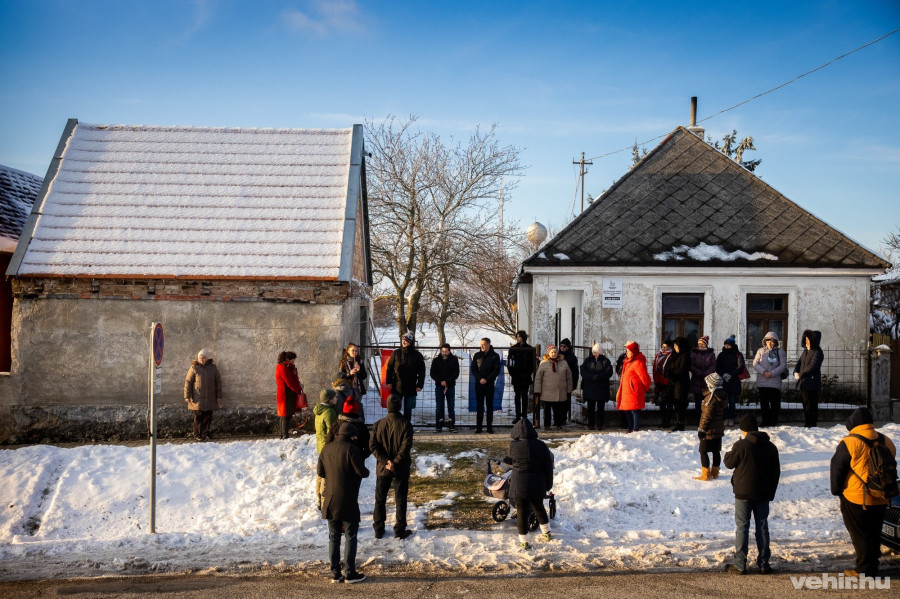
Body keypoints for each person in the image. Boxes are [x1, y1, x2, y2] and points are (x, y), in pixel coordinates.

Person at [830, 407, 897, 578]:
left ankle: (864, 570)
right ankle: (872, 565)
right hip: (881, 495)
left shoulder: (849, 442)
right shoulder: (886, 440)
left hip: (856, 497)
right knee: (874, 532)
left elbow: (837, 468)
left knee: (860, 534)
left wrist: (837, 490)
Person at [723, 414, 780, 575]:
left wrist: (728, 452)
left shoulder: (741, 445)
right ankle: (764, 564)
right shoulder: (770, 446)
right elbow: (776, 472)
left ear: (743, 430)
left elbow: (728, 463)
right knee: (762, 527)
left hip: (743, 492)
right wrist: (771, 492)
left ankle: (740, 564)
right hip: (763, 493)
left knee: (742, 527)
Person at [317, 422, 369, 584]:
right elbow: (363, 472)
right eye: (354, 436)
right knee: (350, 536)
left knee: (333, 537)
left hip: (330, 499)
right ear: (352, 436)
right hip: (347, 499)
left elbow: (321, 472)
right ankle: (350, 573)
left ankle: (335, 573)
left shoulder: (326, 449)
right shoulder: (352, 449)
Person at [502, 418, 554, 549]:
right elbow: (548, 467)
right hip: (537, 483)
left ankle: (524, 541)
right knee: (539, 507)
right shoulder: (541, 445)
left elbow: (507, 459)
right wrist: (548, 485)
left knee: (522, 511)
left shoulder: (513, 445)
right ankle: (547, 533)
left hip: (519, 484)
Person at [370, 393, 414, 540]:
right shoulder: (406, 424)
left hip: (383, 469)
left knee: (380, 499)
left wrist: (386, 462)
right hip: (400, 468)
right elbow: (405, 446)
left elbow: (373, 446)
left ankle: (378, 528)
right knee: (400, 499)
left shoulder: (378, 424)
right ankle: (399, 529)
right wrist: (395, 462)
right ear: (399, 407)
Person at [385, 333, 426, 422]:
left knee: (408, 409)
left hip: (411, 386)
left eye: (406, 340)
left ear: (410, 342)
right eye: (403, 340)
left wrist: (420, 385)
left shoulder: (417, 355)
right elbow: (389, 368)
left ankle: (407, 428)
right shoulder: (396, 353)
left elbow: (422, 372)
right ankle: (395, 426)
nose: (404, 342)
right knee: (395, 409)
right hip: (397, 386)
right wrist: (389, 381)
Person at [184, 348, 222, 441]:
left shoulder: (213, 368)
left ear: (207, 358)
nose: (201, 359)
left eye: (203, 357)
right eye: (200, 357)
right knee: (198, 417)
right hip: (198, 397)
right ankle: (197, 434)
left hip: (210, 397)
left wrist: (219, 395)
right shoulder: (194, 368)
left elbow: (218, 382)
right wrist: (187, 396)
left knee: (208, 416)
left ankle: (205, 433)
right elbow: (188, 382)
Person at [695, 373, 727, 480]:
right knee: (716, 450)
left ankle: (705, 474)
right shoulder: (722, 395)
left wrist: (702, 429)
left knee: (703, 451)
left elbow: (706, 416)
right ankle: (715, 472)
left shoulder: (711, 398)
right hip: (718, 429)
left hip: (709, 430)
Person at [533, 345, 572, 430]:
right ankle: (547, 425)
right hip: (547, 391)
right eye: (552, 352)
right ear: (548, 353)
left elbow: (569, 377)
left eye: (555, 352)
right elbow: (538, 378)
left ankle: (558, 423)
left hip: (560, 391)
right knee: (547, 410)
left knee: (558, 409)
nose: (554, 354)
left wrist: (569, 389)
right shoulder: (544, 363)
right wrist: (537, 390)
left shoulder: (563, 362)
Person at [616, 340, 651, 433]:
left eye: (628, 350)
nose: (626, 352)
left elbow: (644, 377)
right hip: (626, 390)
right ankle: (630, 427)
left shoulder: (638, 362)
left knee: (634, 410)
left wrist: (645, 388)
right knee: (627, 409)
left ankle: (635, 428)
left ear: (633, 351)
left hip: (634, 390)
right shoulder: (627, 361)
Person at [752, 332, 787, 427]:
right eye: (768, 340)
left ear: (775, 341)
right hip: (762, 382)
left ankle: (774, 422)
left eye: (772, 341)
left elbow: (783, 365)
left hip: (774, 382)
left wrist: (772, 373)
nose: (770, 343)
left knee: (775, 404)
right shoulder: (760, 351)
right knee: (764, 404)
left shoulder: (780, 352)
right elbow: (755, 363)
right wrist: (764, 372)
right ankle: (765, 421)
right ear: (765, 341)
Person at [314, 388, 339, 510]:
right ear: (329, 400)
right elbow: (333, 430)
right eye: (335, 397)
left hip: (321, 445)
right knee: (326, 475)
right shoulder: (329, 412)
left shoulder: (320, 411)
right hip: (327, 447)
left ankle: (319, 499)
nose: (337, 398)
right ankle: (324, 504)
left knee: (320, 473)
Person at [793, 329, 823, 428]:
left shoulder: (818, 352)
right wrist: (795, 371)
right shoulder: (806, 351)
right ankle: (807, 423)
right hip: (804, 383)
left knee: (811, 405)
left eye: (808, 340)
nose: (807, 342)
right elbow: (799, 363)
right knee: (805, 404)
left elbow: (812, 367)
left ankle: (812, 424)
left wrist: (800, 374)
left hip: (812, 383)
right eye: (806, 340)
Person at [471, 337, 501, 434]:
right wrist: (480, 379)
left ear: (489, 344)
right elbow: (474, 369)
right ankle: (478, 427)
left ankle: (489, 427)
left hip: (489, 384)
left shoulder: (495, 356)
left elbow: (496, 370)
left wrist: (487, 379)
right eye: (481, 344)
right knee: (479, 406)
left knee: (489, 406)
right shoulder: (477, 355)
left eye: (484, 344)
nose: (482, 346)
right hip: (479, 384)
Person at [580, 343, 613, 430]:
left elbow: (609, 372)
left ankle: (599, 424)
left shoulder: (605, 361)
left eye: (597, 352)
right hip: (590, 387)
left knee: (600, 408)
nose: (596, 354)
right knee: (590, 408)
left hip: (601, 388)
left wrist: (598, 377)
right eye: (594, 352)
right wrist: (590, 377)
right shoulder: (587, 360)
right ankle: (590, 424)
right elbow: (583, 370)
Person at [507, 331, 536, 425]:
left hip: (526, 376)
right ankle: (517, 416)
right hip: (516, 376)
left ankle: (524, 416)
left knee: (524, 396)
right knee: (517, 396)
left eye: (519, 336)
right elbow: (509, 362)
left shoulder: (530, 349)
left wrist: (528, 373)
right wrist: (512, 373)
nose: (518, 338)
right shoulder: (513, 348)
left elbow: (532, 364)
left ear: (523, 337)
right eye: (517, 336)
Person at [430, 343, 460, 432]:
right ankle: (439, 423)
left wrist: (447, 381)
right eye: (442, 351)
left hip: (450, 386)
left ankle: (451, 424)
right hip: (439, 386)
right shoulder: (436, 360)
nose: (444, 353)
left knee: (451, 406)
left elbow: (456, 373)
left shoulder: (454, 360)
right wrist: (440, 381)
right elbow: (432, 373)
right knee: (439, 406)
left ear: (449, 351)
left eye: (446, 351)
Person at [716, 335, 746, 427]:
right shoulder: (721, 355)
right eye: (726, 345)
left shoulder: (738, 354)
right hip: (724, 381)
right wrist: (723, 374)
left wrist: (731, 374)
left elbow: (741, 366)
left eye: (728, 345)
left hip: (734, 381)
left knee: (732, 401)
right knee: (724, 401)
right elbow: (717, 367)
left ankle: (731, 418)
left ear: (732, 345)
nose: (727, 347)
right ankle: (725, 418)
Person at [275, 351, 304, 440]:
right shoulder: (282, 368)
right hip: (285, 395)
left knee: (286, 415)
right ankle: (284, 435)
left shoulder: (287, 367)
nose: (293, 362)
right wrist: (299, 389)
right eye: (292, 360)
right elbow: (290, 383)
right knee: (285, 415)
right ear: (287, 359)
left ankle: (284, 434)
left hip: (288, 394)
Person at [664, 337, 691, 432]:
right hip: (672, 383)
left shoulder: (685, 356)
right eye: (674, 346)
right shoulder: (673, 355)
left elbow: (682, 369)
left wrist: (672, 374)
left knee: (680, 403)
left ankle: (680, 424)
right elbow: (667, 367)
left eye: (677, 346)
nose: (675, 347)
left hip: (681, 383)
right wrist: (667, 374)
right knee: (674, 403)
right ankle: (676, 422)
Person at [689, 336, 716, 414]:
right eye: (699, 344)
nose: (700, 345)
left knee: (708, 401)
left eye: (702, 344)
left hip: (708, 382)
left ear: (706, 344)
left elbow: (713, 365)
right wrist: (699, 373)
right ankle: (698, 418)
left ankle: (707, 417)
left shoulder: (711, 354)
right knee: (697, 400)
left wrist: (706, 374)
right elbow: (691, 365)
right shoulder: (694, 353)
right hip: (696, 380)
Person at [652, 340, 673, 429]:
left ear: (669, 347)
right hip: (659, 382)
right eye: (662, 346)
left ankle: (667, 421)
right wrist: (656, 380)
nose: (663, 348)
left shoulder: (671, 356)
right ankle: (663, 420)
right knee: (661, 403)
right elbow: (654, 368)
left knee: (669, 403)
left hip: (667, 383)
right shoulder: (658, 356)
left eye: (665, 347)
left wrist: (667, 380)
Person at [558, 339, 580, 424]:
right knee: (557, 401)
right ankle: (558, 418)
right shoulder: (557, 355)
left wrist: (574, 384)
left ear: (568, 347)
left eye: (564, 346)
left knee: (566, 401)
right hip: (558, 382)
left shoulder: (572, 357)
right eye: (561, 346)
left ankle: (563, 418)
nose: (562, 348)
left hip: (567, 382)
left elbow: (575, 372)